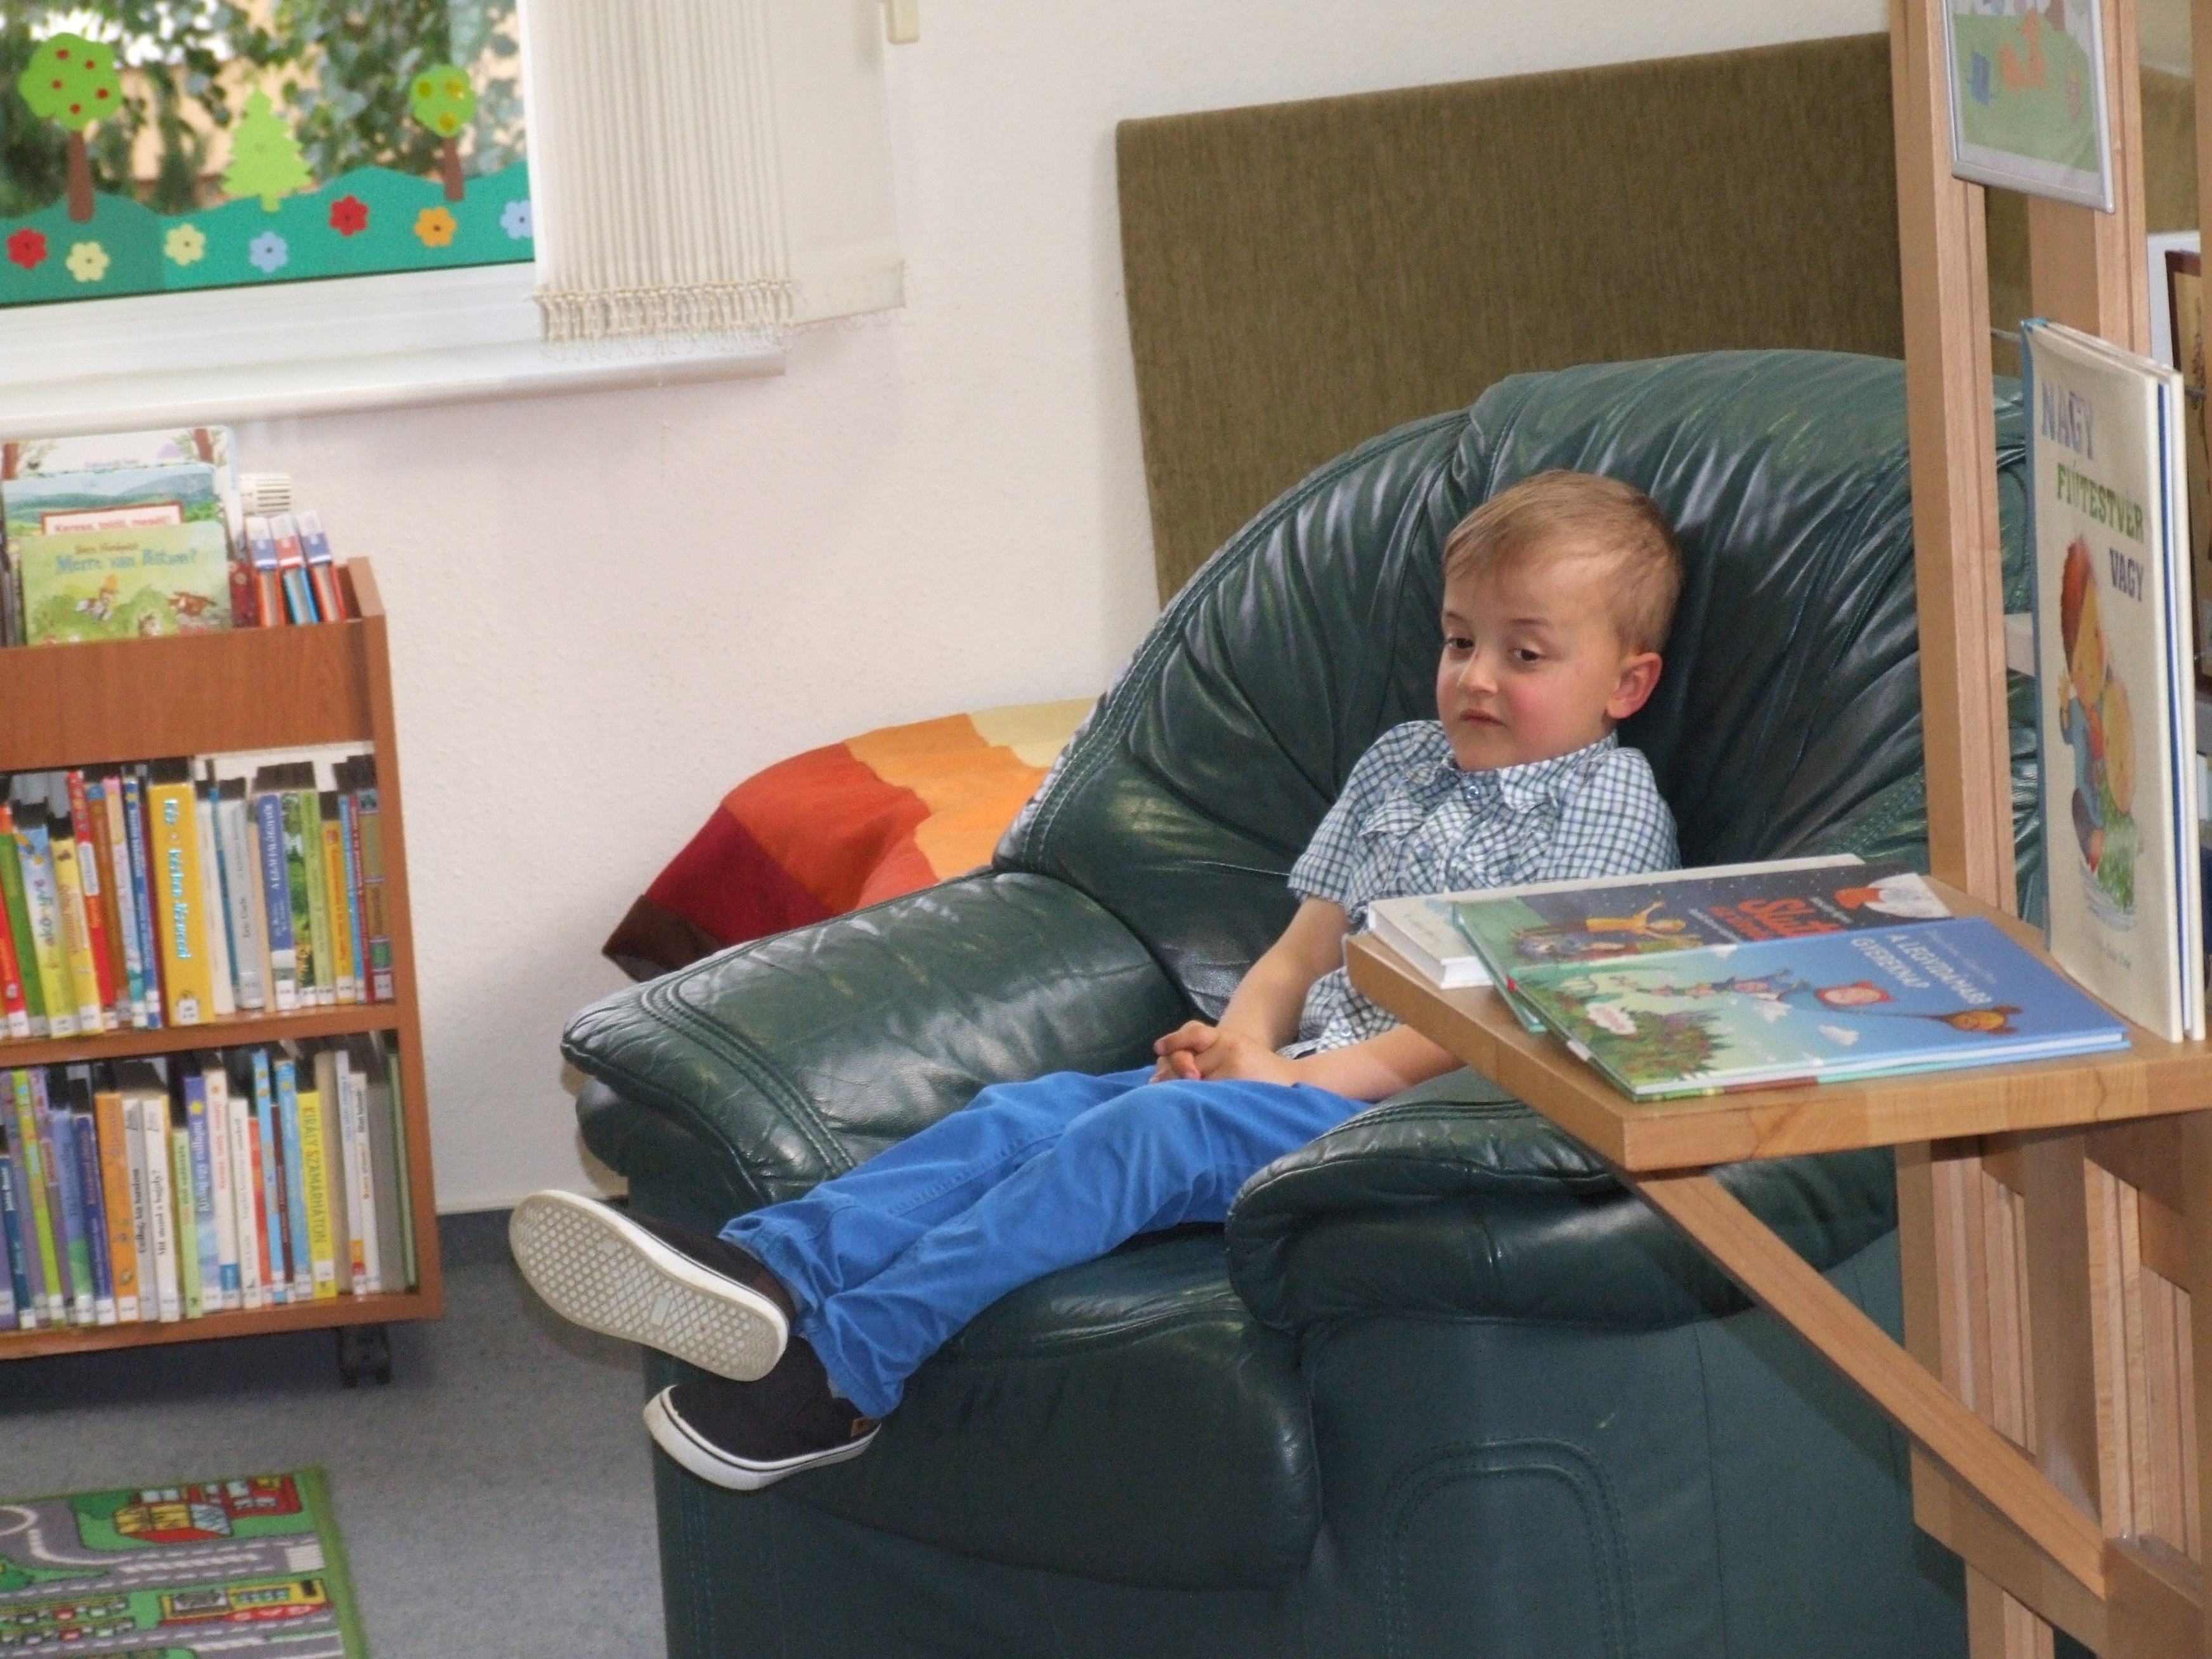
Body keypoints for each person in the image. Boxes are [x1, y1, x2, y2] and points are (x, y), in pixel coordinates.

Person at [511, 468, 1685, 1490]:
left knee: (1135, 1140)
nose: (1477, 676)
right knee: (1024, 1113)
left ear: (1626, 684)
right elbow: (1304, 946)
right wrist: (1242, 1042)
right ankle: (771, 1265)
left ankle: (845, 1376)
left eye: (1526, 654)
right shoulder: (1402, 764)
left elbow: (1492, 1018)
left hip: (1412, 1118)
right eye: (1459, 640)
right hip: (1296, 1080)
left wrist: (1303, 1081)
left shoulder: (1609, 812)